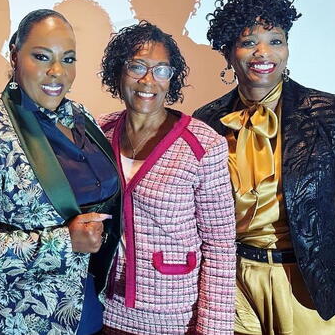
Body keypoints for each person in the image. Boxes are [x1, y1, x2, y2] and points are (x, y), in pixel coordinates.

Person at [193, 0, 335, 335]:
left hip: (311, 288)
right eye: (249, 42)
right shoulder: (207, 121)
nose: (264, 53)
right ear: (229, 52)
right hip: (232, 287)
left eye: (276, 40)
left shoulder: (332, 114)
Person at [0, 9, 122, 335]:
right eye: (42, 57)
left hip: (89, 310)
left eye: (68, 59)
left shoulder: (80, 117)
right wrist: (65, 242)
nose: (57, 72)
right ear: (15, 55)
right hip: (19, 319)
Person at [97, 21, 236, 334]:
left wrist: (212, 329)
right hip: (104, 310)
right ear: (118, 72)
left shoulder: (203, 144)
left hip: (171, 317)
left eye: (161, 69)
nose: (149, 80)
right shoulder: (99, 132)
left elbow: (220, 247)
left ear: (172, 78)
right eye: (137, 67)